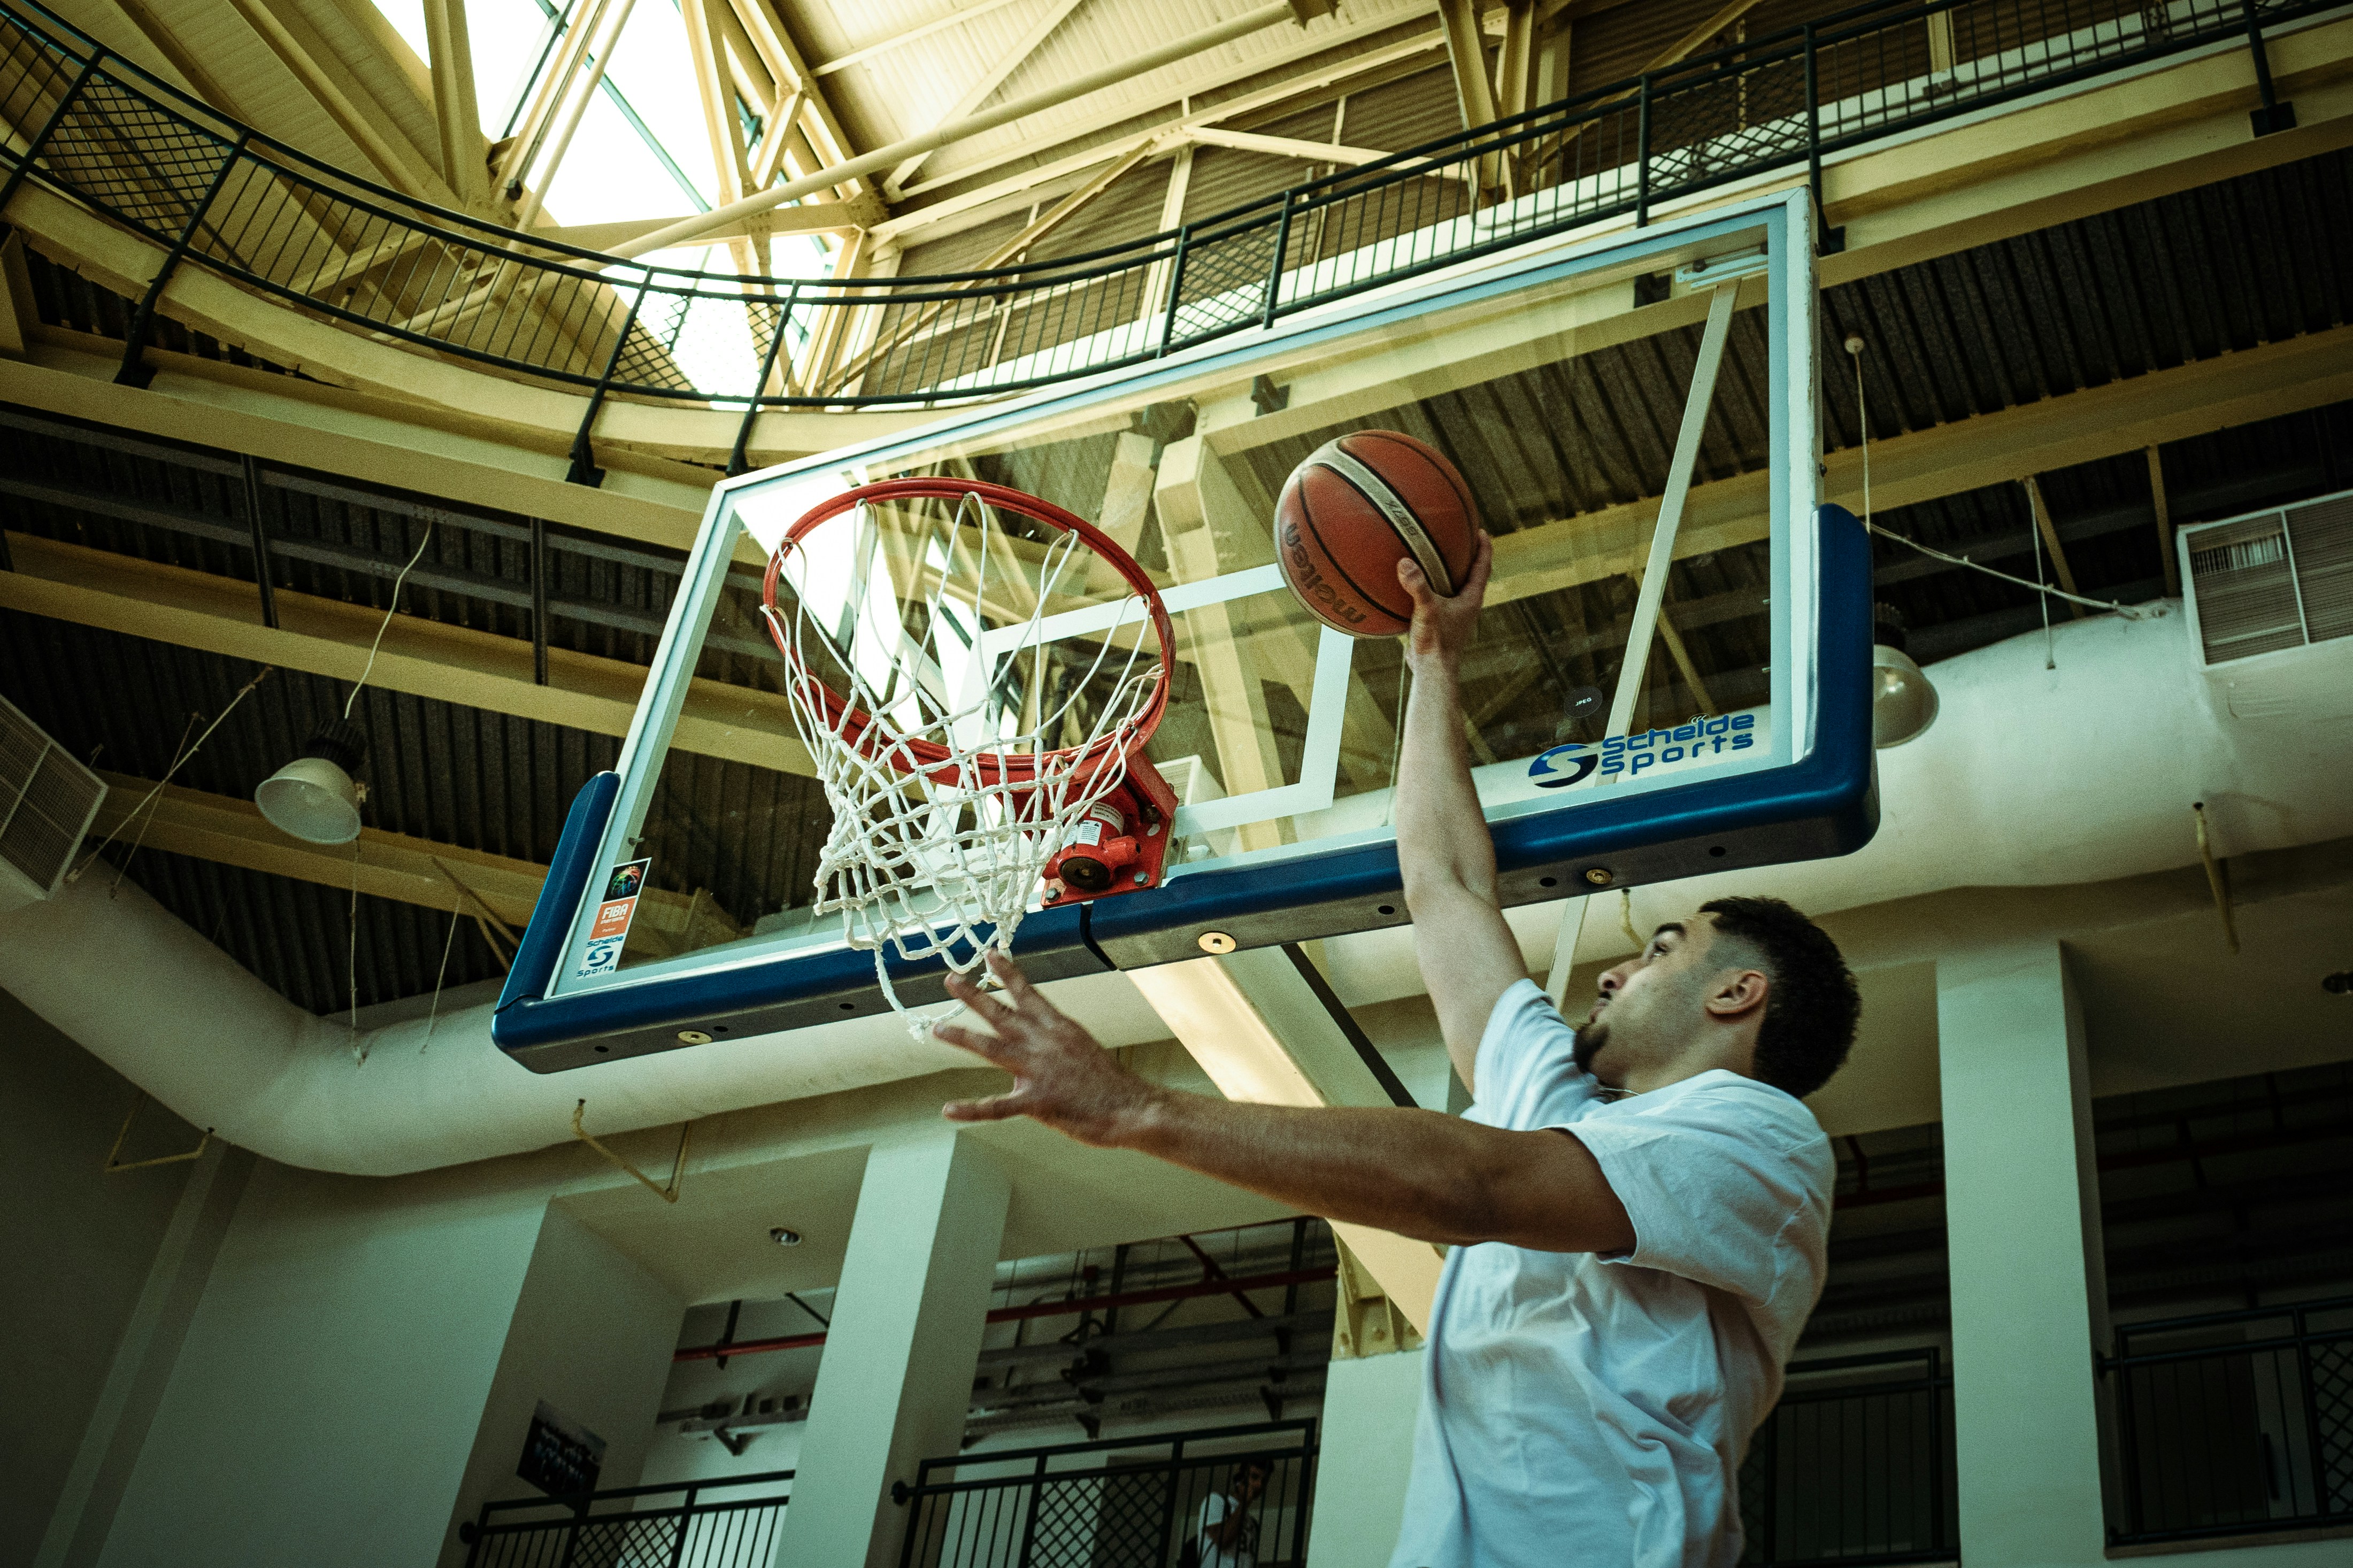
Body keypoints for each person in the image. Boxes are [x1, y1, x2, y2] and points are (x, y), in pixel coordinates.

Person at [933, 533, 1860, 1566]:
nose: (1613, 972)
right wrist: (1431, 664)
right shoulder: (1553, 1098)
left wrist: (1139, 1107)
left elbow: (1472, 1185)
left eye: (1661, 948)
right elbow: (1445, 882)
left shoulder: (1765, 1143)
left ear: (1740, 992)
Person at [1188, 1458, 1270, 1568]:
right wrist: (1245, 1503)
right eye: (1254, 1477)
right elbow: (1223, 1540)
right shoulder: (1216, 1501)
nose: (1259, 1485)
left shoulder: (1252, 1522)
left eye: (1264, 1481)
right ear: (1241, 1477)